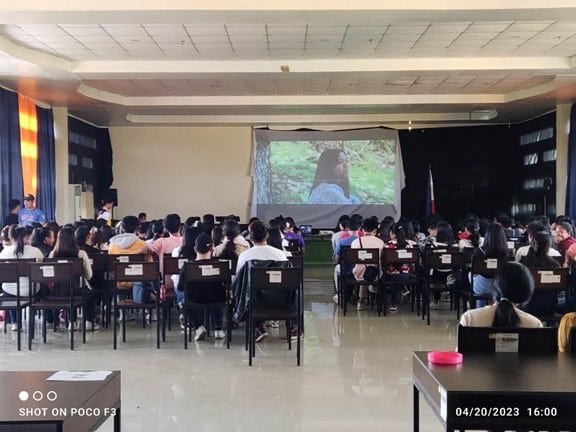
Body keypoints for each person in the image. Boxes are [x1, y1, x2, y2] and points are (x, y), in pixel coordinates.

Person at [460, 261, 543, 328]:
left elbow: (460, 349)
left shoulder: (470, 318)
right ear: (527, 292)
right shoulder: (534, 324)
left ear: (495, 287)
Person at [176, 233, 226, 341]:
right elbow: (227, 284)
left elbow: (180, 287)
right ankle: (218, 329)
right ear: (212, 249)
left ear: (195, 249)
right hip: (216, 300)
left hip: (195, 300)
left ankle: (198, 327)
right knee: (218, 295)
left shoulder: (187, 266)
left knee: (185, 300)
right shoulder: (220, 265)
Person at [49, 226, 98, 330]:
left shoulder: (52, 254)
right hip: (78, 290)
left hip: (59, 291)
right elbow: (89, 275)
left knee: (68, 291)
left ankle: (72, 321)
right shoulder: (81, 254)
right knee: (89, 293)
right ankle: (89, 322)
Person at [0, 226, 44, 330]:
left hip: (10, 292)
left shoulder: (3, 253)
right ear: (27, 237)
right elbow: (42, 267)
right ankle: (49, 319)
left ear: (10, 238)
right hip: (32, 290)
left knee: (10, 289)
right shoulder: (35, 251)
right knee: (43, 288)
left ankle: (15, 322)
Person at [108, 215, 154, 304]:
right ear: (137, 228)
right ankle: (148, 308)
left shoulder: (112, 245)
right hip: (138, 283)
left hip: (119, 282)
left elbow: (111, 267)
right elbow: (150, 266)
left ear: (122, 228)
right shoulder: (142, 244)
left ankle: (121, 304)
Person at [470, 223, 510, 307]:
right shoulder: (507, 254)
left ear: (487, 235)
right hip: (500, 287)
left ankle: (480, 311)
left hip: (482, 287)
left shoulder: (479, 251)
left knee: (470, 274)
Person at [351, 217, 385, 311]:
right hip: (376, 274)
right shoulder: (380, 242)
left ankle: (361, 301)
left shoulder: (356, 242)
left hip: (359, 274)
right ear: (375, 230)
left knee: (363, 270)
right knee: (372, 270)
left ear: (362, 229)